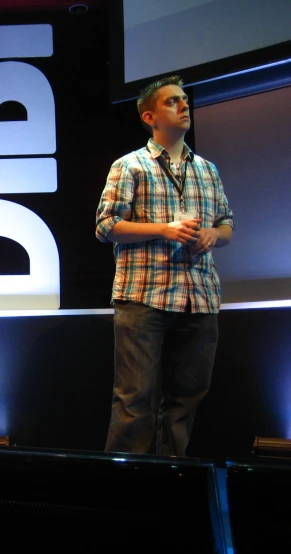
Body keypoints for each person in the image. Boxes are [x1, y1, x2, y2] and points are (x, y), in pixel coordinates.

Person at [95, 75, 234, 457]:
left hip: (200, 297)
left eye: (185, 100)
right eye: (173, 101)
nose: (184, 106)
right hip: (145, 296)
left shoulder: (207, 169)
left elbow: (227, 224)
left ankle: (171, 482)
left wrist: (213, 235)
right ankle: (123, 494)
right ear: (149, 116)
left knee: (186, 401)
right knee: (134, 400)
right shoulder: (130, 166)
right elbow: (106, 226)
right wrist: (164, 230)